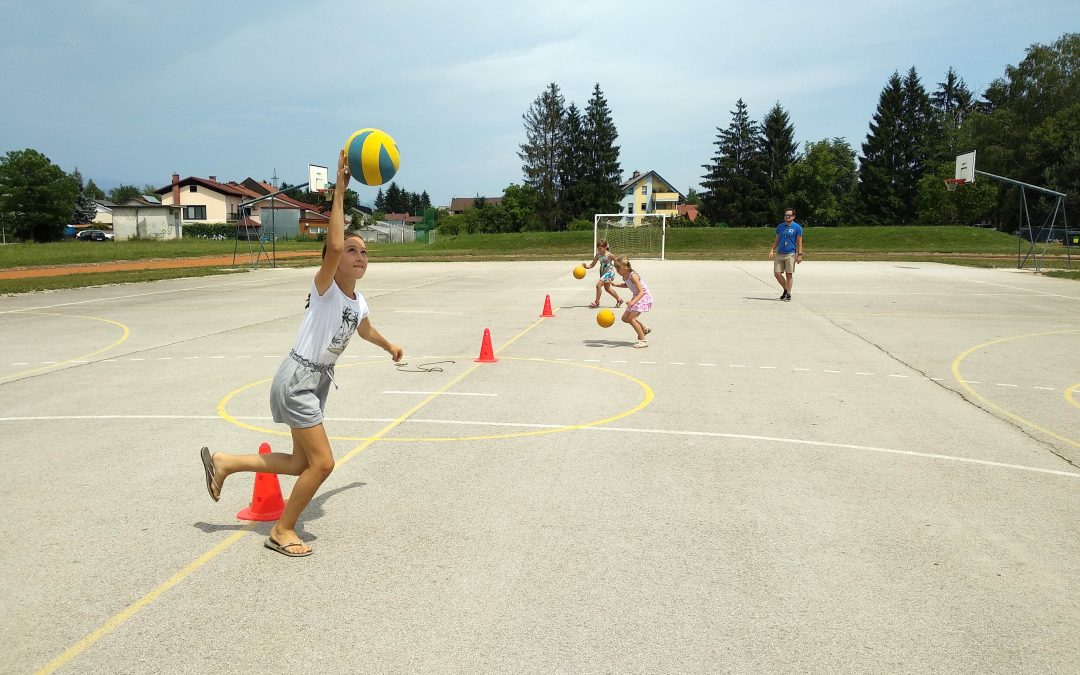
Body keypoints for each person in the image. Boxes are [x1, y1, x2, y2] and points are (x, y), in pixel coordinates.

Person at [199, 149, 403, 557]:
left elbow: (365, 331)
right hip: (297, 379)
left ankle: (225, 462)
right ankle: (282, 529)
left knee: (299, 464)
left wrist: (389, 345)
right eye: (352, 250)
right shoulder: (325, 288)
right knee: (323, 464)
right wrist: (340, 192)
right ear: (338, 258)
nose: (359, 256)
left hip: (315, 383)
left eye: (364, 252)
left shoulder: (358, 301)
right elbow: (330, 248)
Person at [613, 256, 652, 348]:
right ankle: (644, 328)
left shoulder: (633, 276)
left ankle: (643, 340)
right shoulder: (625, 276)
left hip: (642, 297)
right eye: (616, 269)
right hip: (636, 297)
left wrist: (632, 302)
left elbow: (642, 291)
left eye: (619, 268)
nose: (617, 271)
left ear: (626, 267)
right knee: (624, 318)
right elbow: (627, 285)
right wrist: (615, 284)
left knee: (632, 319)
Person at [768, 207, 803, 301]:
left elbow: (799, 241)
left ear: (793, 216)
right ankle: (785, 289)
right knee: (777, 273)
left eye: (789, 215)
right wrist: (772, 249)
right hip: (780, 253)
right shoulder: (780, 226)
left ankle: (789, 294)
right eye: (785, 215)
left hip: (790, 254)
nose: (787, 217)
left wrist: (799, 254)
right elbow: (777, 239)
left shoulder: (797, 227)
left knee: (789, 274)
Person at [583, 239, 623, 308]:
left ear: (605, 248)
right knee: (607, 288)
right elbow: (592, 265)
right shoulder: (598, 255)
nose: (599, 250)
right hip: (603, 273)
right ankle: (619, 299)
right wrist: (585, 266)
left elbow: (617, 261)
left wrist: (620, 269)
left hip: (609, 273)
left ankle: (596, 302)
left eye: (600, 249)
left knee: (598, 285)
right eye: (598, 249)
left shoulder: (609, 254)